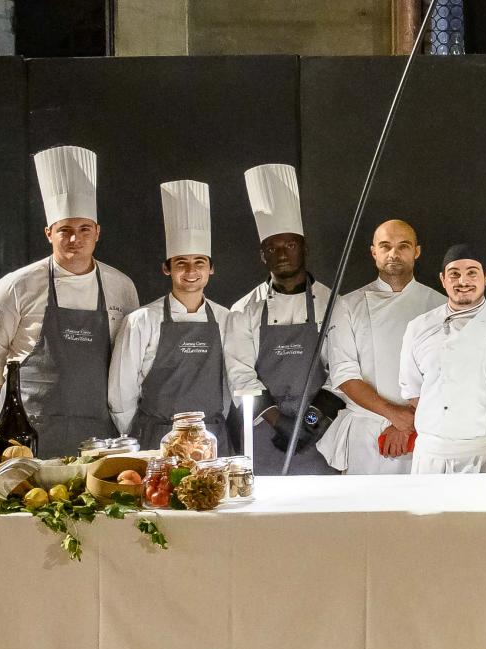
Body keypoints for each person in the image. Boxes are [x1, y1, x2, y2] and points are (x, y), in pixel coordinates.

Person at [0, 146, 139, 454]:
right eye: (64, 230)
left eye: (84, 230)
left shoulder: (122, 287)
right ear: (48, 233)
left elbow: (128, 358)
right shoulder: (16, 285)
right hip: (28, 431)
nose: (74, 239)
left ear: (97, 232)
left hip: (98, 433)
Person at [110, 180, 258, 453]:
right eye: (181, 263)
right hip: (157, 439)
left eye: (199, 262)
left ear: (211, 268)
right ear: (167, 269)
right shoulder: (142, 320)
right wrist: (136, 437)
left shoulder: (227, 319)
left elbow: (235, 381)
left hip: (212, 438)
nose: (191, 271)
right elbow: (121, 391)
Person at [233, 163, 338, 475]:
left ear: (304, 247)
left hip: (322, 435)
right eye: (272, 246)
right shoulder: (244, 309)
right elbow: (240, 375)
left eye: (290, 244)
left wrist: (308, 423)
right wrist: (282, 423)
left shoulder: (335, 305)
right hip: (265, 434)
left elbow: (343, 370)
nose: (281, 253)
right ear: (261, 254)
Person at [319, 220, 445, 475]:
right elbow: (344, 375)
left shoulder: (440, 304)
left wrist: (409, 423)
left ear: (417, 252)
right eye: (385, 246)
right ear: (373, 252)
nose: (394, 254)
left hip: (426, 430)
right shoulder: (347, 305)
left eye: (403, 246)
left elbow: (448, 376)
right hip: (368, 433)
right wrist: (395, 416)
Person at [400, 245, 486, 474]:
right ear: (443, 279)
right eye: (454, 274)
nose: (463, 281)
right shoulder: (419, 327)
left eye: (472, 272)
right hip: (433, 452)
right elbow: (413, 391)